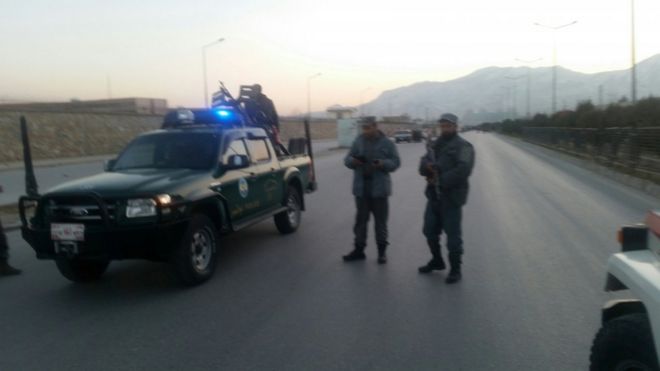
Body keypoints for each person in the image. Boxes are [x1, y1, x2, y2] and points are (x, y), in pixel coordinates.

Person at [418, 113, 475, 284]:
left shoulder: (464, 146)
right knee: (429, 230)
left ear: (455, 126)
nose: (445, 128)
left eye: (448, 126)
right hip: (434, 197)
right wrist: (427, 168)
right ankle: (437, 260)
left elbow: (463, 170)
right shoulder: (434, 145)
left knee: (453, 236)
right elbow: (422, 163)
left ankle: (455, 269)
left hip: (451, 198)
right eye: (442, 126)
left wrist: (440, 179)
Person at [343, 117, 400, 264]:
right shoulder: (358, 141)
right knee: (360, 222)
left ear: (375, 126)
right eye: (364, 128)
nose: (365, 131)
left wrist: (383, 163)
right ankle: (359, 250)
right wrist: (353, 161)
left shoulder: (387, 143)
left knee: (380, 223)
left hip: (379, 190)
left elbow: (396, 162)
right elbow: (347, 159)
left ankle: (382, 253)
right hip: (362, 189)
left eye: (368, 128)